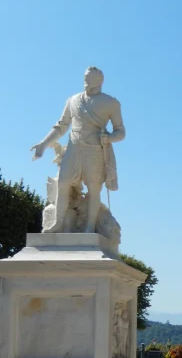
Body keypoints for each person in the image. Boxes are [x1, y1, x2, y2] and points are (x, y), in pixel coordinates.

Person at [31, 67, 125, 233]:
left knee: (94, 188)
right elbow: (61, 127)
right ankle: (58, 223)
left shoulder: (111, 103)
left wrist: (109, 138)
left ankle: (89, 227)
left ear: (99, 81)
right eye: (84, 77)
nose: (85, 81)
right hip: (74, 148)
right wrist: (43, 144)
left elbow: (121, 131)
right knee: (62, 183)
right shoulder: (73, 100)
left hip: (95, 150)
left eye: (89, 78)